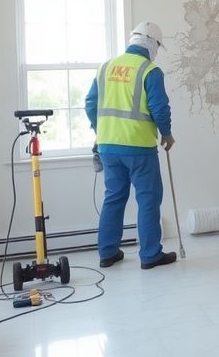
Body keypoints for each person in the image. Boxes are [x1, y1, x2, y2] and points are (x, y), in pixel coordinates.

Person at [85, 21, 177, 269]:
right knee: (148, 199)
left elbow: (90, 104)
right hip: (138, 148)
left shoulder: (105, 68)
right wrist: (166, 134)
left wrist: (100, 131)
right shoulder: (150, 70)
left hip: (108, 148)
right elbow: (159, 107)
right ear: (152, 43)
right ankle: (150, 255)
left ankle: (108, 253)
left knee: (114, 198)